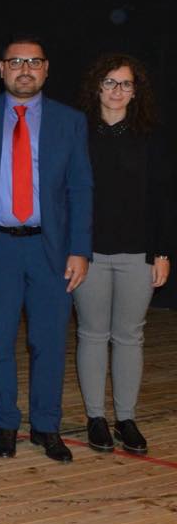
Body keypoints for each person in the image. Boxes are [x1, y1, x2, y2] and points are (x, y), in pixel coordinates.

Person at [0, 36, 93, 463]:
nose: (25, 69)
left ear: (46, 69)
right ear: (1, 68)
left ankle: (46, 425)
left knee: (49, 342)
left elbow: (81, 187)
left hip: (51, 250)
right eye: (17, 61)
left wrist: (80, 249)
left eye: (34, 62)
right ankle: (6, 422)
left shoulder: (70, 121)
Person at [73, 54, 172, 455]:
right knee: (92, 334)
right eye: (110, 82)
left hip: (138, 254)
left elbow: (163, 198)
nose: (117, 90)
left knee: (130, 337)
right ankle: (96, 418)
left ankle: (126, 419)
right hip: (89, 254)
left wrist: (162, 252)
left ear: (136, 91)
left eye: (125, 84)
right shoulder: (78, 133)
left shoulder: (152, 136)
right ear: (97, 87)